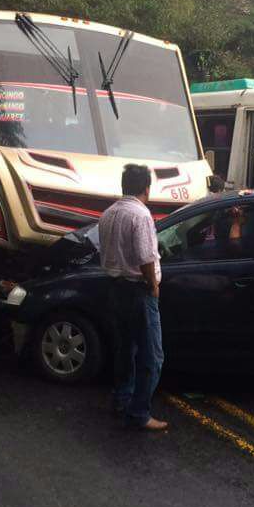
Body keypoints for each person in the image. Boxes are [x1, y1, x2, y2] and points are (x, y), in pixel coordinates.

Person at [99, 164, 167, 430]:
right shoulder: (141, 215)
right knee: (152, 355)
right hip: (138, 290)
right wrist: (153, 285)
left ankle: (121, 399)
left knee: (126, 349)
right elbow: (145, 257)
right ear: (146, 188)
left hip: (115, 288)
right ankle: (139, 412)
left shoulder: (108, 213)